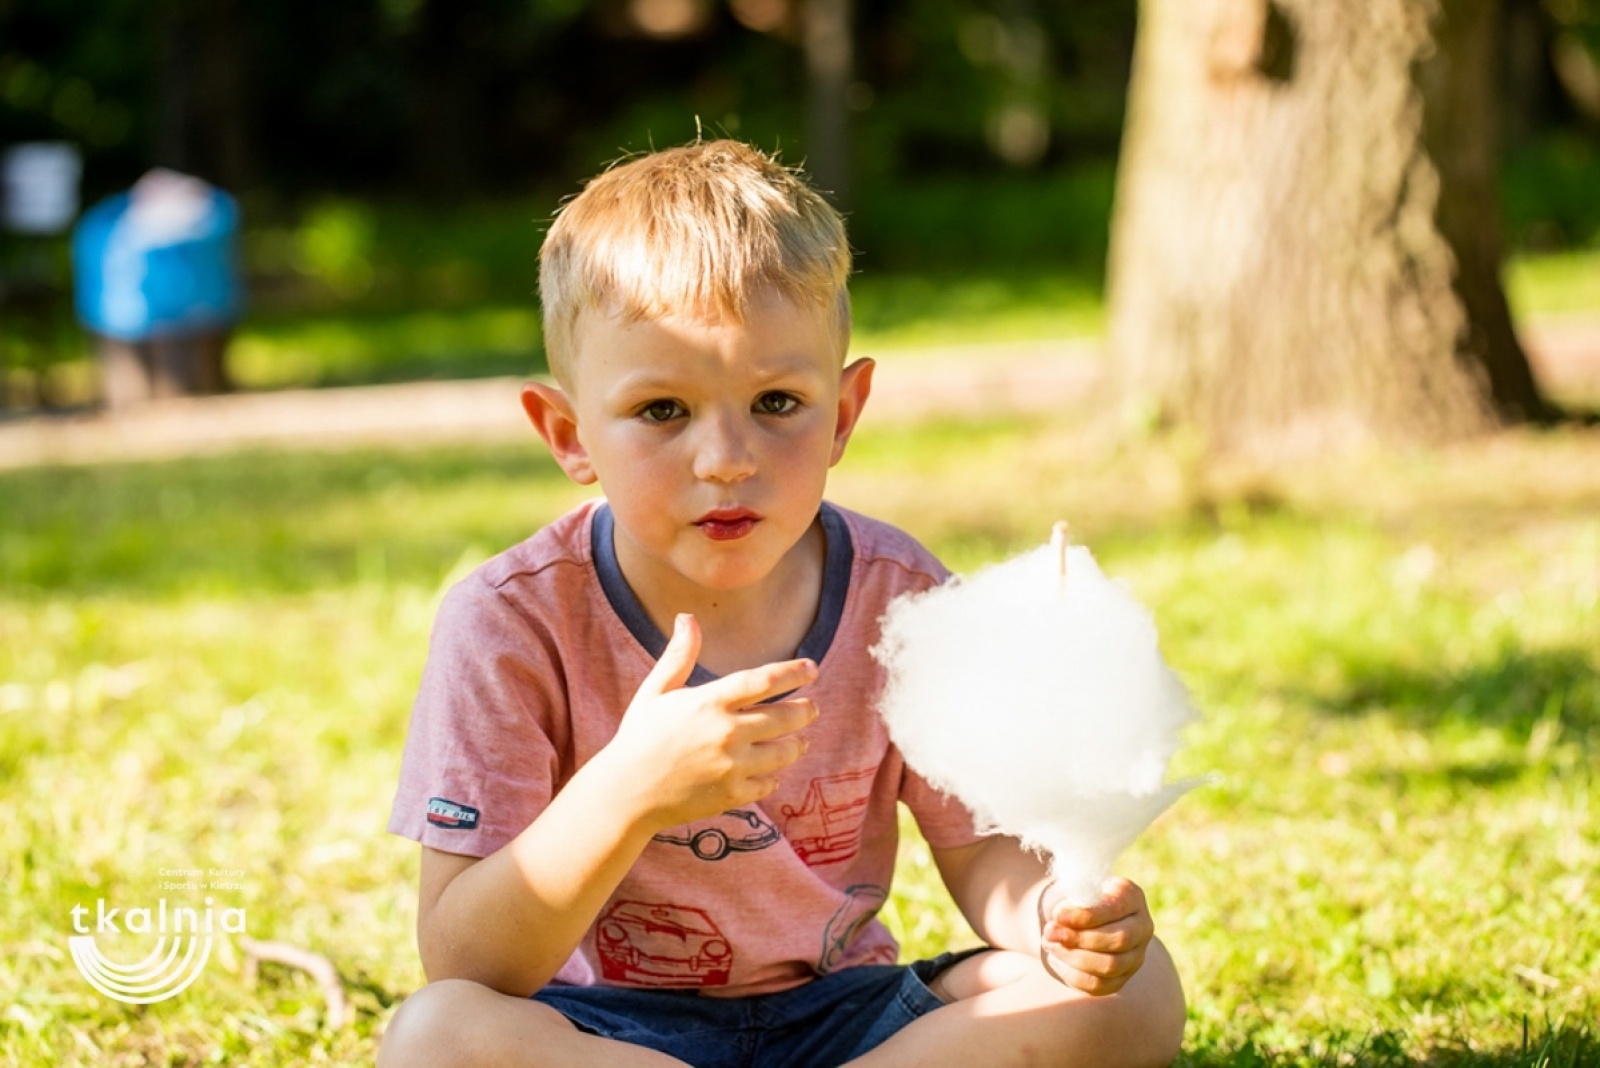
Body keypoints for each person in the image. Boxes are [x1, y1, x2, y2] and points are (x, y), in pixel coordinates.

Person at [379, 140, 1185, 1068]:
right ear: (568, 434)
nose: (726, 457)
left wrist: (1058, 915)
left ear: (842, 414)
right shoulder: (511, 621)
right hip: (606, 1032)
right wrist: (627, 791)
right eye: (662, 412)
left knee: (1131, 994)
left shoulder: (901, 597)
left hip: (847, 1018)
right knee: (437, 1039)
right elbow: (466, 959)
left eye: (775, 401)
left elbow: (981, 854)